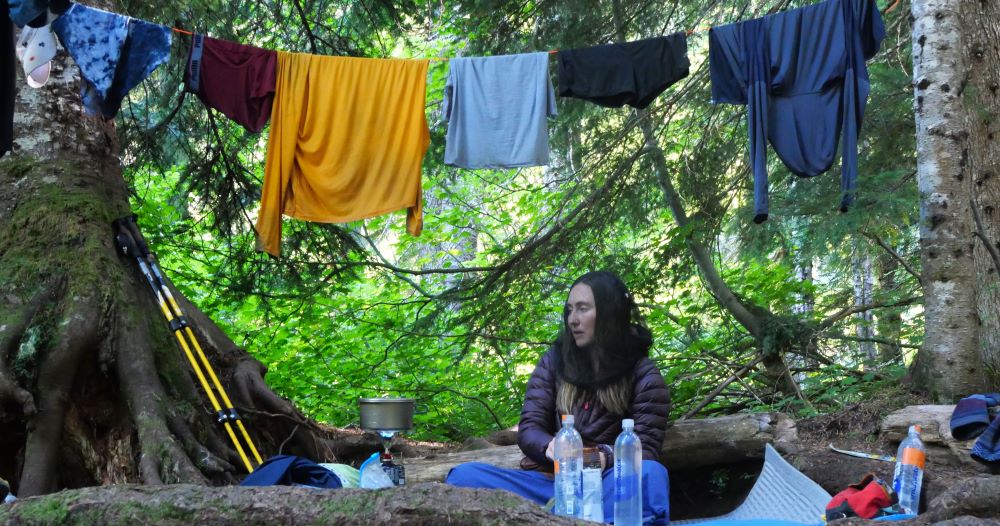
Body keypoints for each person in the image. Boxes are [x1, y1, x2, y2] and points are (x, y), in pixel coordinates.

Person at [446, 271, 671, 524]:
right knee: (464, 477)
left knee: (651, 475)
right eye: (570, 310)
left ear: (610, 312)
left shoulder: (643, 373)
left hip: (605, 487)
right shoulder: (555, 361)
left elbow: (647, 448)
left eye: (583, 309)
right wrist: (549, 447)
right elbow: (530, 427)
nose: (573, 320)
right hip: (550, 486)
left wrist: (605, 456)